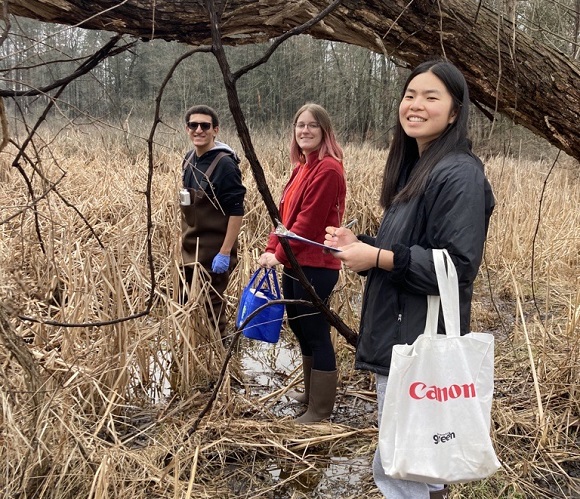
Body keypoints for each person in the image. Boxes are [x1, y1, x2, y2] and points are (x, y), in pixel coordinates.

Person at [324, 60, 495, 498]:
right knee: (416, 461)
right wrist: (361, 248)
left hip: (420, 342)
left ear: (455, 112)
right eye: (410, 95)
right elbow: (409, 248)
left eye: (431, 97)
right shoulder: (417, 168)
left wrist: (378, 256)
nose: (415, 105)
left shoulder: (458, 173)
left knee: (407, 466)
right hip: (404, 336)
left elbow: (455, 268)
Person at [258, 103, 347, 423]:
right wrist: (272, 248)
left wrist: (278, 254)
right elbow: (283, 218)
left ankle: (320, 411)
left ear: (324, 132)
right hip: (295, 262)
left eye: (312, 126)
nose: (305, 130)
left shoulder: (328, 169)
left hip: (317, 264)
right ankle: (310, 394)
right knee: (298, 325)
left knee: (316, 330)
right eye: (300, 125)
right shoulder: (302, 167)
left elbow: (308, 224)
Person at [180, 105, 246, 342]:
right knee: (183, 300)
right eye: (193, 125)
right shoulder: (189, 160)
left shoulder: (225, 165)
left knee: (211, 306)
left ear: (215, 130)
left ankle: (221, 354)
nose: (199, 130)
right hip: (190, 247)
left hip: (214, 250)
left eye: (205, 126)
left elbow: (237, 211)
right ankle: (192, 347)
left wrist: (225, 253)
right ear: (187, 129)